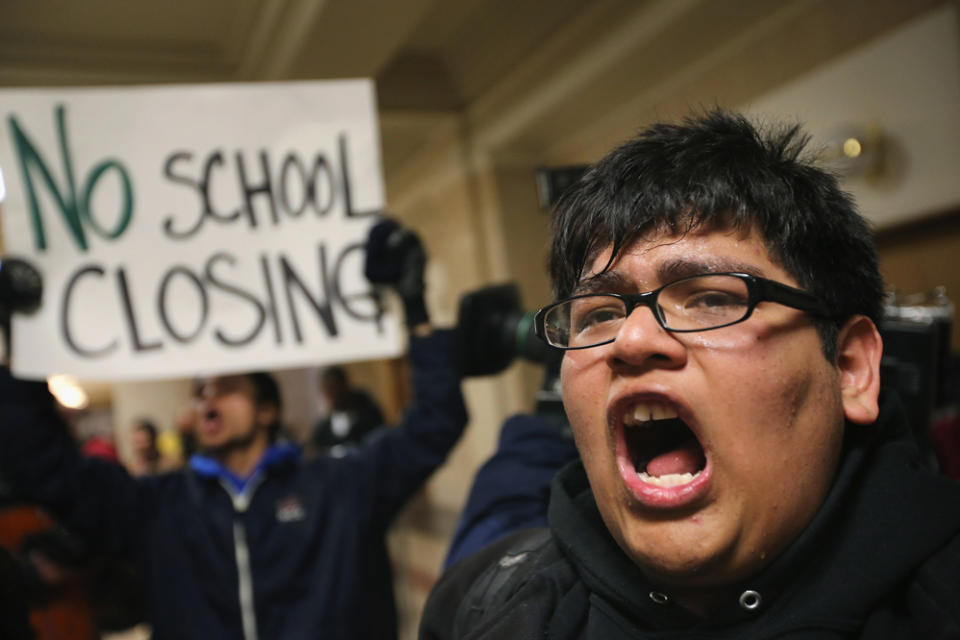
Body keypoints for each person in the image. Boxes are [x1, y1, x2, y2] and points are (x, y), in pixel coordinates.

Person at [421, 111, 960, 638]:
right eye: (600, 314)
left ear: (849, 368)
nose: (632, 340)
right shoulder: (478, 609)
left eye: (710, 299)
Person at [0, 221, 468, 640]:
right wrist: (19, 349)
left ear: (267, 410)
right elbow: (46, 470)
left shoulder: (340, 488)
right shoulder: (157, 506)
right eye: (200, 390)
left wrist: (415, 305)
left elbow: (434, 423)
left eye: (226, 386)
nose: (208, 397)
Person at [310, 365, 385, 455]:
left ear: (345, 386)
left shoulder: (368, 415)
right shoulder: (325, 426)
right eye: (328, 391)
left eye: (335, 388)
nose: (333, 395)